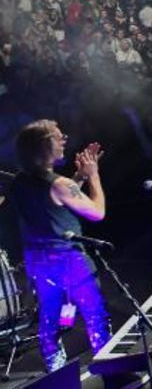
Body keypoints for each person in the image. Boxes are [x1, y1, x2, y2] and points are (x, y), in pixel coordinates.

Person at [11, 120, 110, 372]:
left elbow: (52, 198)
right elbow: (97, 212)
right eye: (58, 137)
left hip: (40, 264)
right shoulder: (60, 185)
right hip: (71, 262)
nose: (64, 139)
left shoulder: (20, 181)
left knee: (49, 321)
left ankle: (58, 376)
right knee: (95, 318)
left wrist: (77, 177)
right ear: (44, 146)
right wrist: (94, 175)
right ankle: (110, 369)